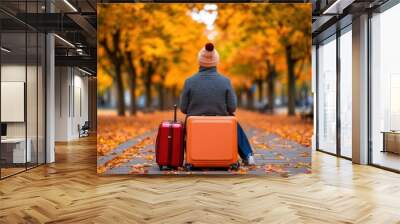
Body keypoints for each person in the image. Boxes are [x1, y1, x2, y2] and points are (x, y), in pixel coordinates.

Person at [179, 43, 255, 165]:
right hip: (222, 125)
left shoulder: (189, 82)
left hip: (194, 125)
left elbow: (183, 108)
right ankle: (247, 155)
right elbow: (232, 107)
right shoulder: (226, 81)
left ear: (200, 62)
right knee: (235, 123)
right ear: (216, 62)